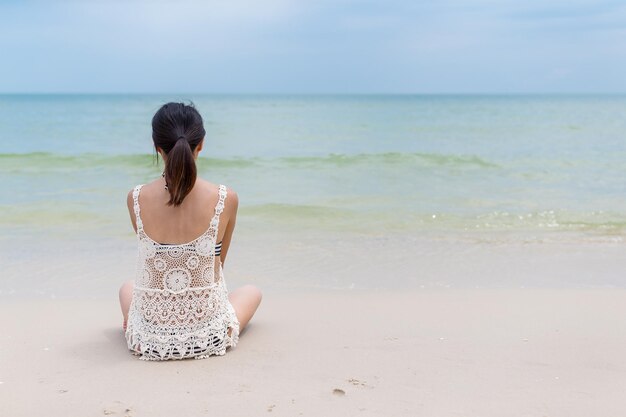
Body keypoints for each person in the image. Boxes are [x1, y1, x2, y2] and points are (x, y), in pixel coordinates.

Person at [118, 102, 262, 360]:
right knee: (253, 292)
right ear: (202, 144)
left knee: (126, 288)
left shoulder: (135, 198)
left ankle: (138, 327)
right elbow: (218, 265)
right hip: (208, 337)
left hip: (150, 342)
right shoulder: (225, 198)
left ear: (156, 146)